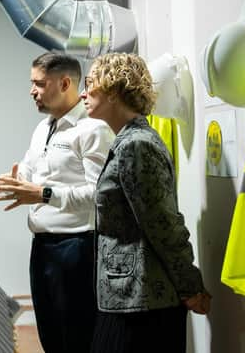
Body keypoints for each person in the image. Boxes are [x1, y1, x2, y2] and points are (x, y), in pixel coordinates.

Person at [80, 52, 211, 353]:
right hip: (129, 298)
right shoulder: (128, 140)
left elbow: (164, 225)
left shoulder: (136, 145)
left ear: (114, 89)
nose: (84, 93)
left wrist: (191, 286)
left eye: (90, 83)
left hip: (142, 304)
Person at [0, 52, 114, 353]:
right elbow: (30, 171)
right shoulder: (43, 128)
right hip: (43, 248)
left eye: (39, 83)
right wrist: (9, 181)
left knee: (78, 340)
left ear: (65, 83)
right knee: (52, 339)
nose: (32, 90)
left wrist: (43, 194)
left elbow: (100, 195)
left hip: (78, 250)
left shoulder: (93, 130)